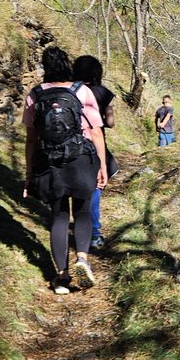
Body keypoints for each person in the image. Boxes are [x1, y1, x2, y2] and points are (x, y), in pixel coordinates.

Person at [22, 47, 108, 295]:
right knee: (82, 211)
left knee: (58, 216)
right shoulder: (82, 91)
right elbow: (95, 132)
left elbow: (31, 138)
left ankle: (62, 276)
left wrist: (29, 175)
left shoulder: (35, 94)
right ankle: (82, 257)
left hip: (49, 162)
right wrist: (101, 165)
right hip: (81, 159)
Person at [74, 55, 117, 249]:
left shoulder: (70, 90)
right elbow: (110, 123)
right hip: (93, 145)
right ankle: (94, 233)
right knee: (95, 190)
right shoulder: (103, 93)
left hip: (70, 145)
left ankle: (79, 228)